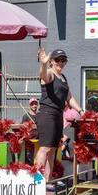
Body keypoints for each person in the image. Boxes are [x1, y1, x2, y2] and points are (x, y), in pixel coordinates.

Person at [37, 48, 84, 185]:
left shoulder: (63, 78)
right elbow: (43, 75)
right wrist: (43, 63)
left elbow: (69, 98)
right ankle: (37, 180)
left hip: (58, 114)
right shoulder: (50, 74)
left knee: (52, 149)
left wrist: (81, 111)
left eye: (63, 60)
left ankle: (48, 179)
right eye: (57, 60)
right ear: (52, 61)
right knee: (45, 148)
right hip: (47, 113)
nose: (61, 62)